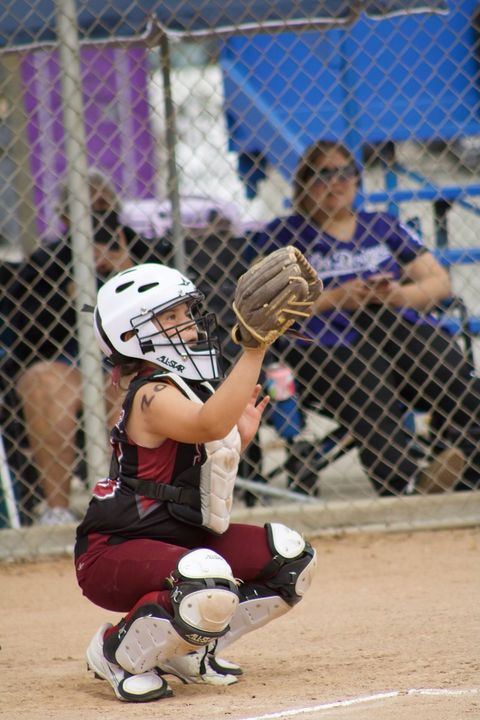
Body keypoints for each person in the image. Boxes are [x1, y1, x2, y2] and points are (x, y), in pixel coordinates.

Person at [74, 255, 320, 702]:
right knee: (206, 582)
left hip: (176, 537)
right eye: (171, 316)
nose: (188, 324)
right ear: (132, 334)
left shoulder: (183, 386)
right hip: (114, 551)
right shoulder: (151, 394)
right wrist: (255, 349)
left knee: (289, 560)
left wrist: (236, 441)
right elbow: (207, 425)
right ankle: (114, 652)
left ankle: (187, 650)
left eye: (187, 312)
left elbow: (194, 462)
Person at [248, 139, 480, 496]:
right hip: (327, 339)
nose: (336, 182)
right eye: (323, 174)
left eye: (345, 173)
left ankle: (468, 461)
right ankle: (407, 486)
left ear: (356, 180)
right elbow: (261, 304)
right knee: (368, 386)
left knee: (446, 362)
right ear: (304, 184)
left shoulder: (381, 225)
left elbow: (439, 282)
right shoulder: (283, 235)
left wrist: (399, 294)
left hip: (394, 324)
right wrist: (335, 298)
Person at [0, 168, 172, 526]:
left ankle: (123, 504)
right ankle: (58, 509)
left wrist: (127, 275)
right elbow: (26, 336)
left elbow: (177, 317)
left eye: (104, 210)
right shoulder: (48, 261)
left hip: (129, 365)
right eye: (86, 211)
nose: (97, 220)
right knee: (45, 383)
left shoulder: (145, 251)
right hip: (69, 367)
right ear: (65, 217)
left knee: (133, 389)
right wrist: (69, 297)